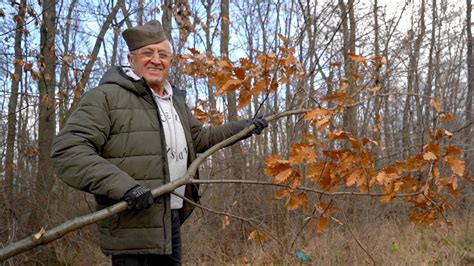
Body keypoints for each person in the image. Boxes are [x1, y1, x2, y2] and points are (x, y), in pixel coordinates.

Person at [51, 20, 268, 265]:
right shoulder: (105, 97)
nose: (156, 60)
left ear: (170, 62)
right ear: (132, 59)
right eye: (148, 53)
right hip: (131, 226)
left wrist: (245, 127)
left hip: (170, 221)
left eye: (163, 54)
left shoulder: (175, 102)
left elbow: (200, 139)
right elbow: (68, 150)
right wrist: (127, 188)